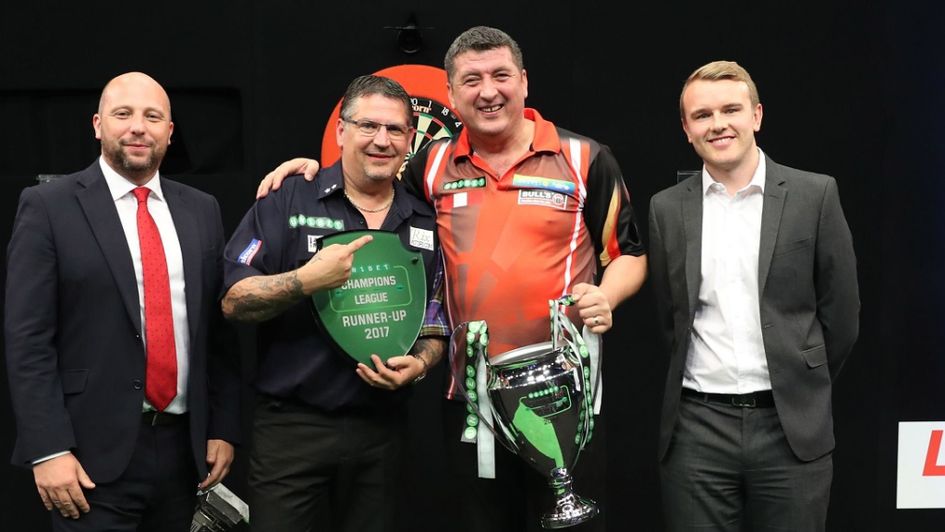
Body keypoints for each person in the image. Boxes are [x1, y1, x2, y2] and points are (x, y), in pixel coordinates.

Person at [258, 26, 647, 532]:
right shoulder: (430, 164)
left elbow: (630, 254)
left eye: (500, 75)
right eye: (471, 80)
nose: (488, 91)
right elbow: (368, 192)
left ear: (524, 82)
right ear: (451, 94)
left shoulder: (585, 158)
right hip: (473, 403)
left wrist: (607, 293)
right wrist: (311, 172)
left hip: (565, 394)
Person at [4, 72, 241, 531]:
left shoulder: (202, 209)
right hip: (86, 458)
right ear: (97, 125)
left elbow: (220, 332)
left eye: (153, 117)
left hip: (184, 454)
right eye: (123, 114)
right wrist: (48, 449)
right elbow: (27, 338)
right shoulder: (48, 206)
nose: (138, 127)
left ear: (170, 133)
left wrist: (223, 428)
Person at [220, 74, 447, 532]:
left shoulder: (423, 218)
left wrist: (420, 365)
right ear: (341, 131)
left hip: (382, 433)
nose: (381, 140)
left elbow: (435, 319)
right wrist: (305, 280)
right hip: (292, 432)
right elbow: (233, 301)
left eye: (395, 130)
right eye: (367, 126)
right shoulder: (287, 198)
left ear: (410, 139)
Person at [648, 60, 860, 531]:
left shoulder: (815, 195)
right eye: (702, 115)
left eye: (731, 109)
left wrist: (801, 382)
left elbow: (842, 317)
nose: (718, 124)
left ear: (756, 115)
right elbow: (669, 318)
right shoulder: (665, 208)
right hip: (696, 429)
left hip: (790, 428)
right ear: (686, 128)